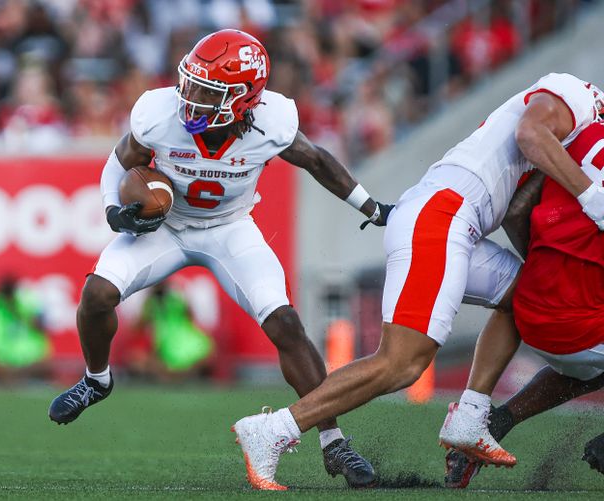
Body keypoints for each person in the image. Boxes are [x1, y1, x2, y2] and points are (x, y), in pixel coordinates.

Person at [47, 29, 392, 490]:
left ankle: (334, 441)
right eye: (191, 83)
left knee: (285, 323)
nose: (191, 98)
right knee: (96, 294)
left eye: (208, 92)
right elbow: (119, 160)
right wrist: (114, 211)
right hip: (165, 229)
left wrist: (371, 207)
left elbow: (317, 161)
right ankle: (96, 379)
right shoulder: (158, 112)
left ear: (246, 98)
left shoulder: (274, 122)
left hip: (229, 230)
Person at [231, 72, 604, 488]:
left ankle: (471, 415)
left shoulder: (584, 129)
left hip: (452, 218)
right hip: (443, 216)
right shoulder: (580, 96)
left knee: (525, 296)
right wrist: (593, 198)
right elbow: (530, 133)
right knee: (402, 362)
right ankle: (273, 430)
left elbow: (518, 206)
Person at [441, 120, 604, 487]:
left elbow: (516, 211)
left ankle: (493, 423)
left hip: (526, 303)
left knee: (586, 368)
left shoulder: (579, 137)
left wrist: (547, 264)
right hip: (581, 321)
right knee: (587, 355)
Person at [128, 282, 214, 381]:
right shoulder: (175, 296)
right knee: (140, 362)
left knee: (144, 363)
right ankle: (181, 377)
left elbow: (137, 326)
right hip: (182, 342)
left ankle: (175, 377)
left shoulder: (157, 301)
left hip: (173, 344)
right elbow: (190, 315)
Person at [0, 275, 52, 381]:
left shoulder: (27, 304)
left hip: (28, 360)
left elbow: (41, 327)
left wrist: (20, 311)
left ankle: (13, 379)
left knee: (44, 362)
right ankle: (11, 379)